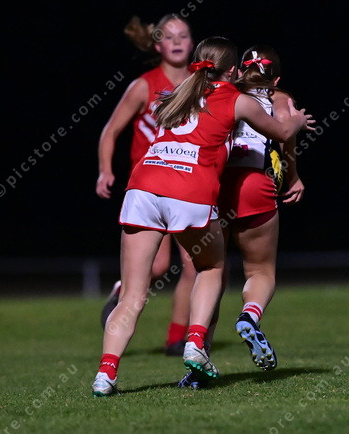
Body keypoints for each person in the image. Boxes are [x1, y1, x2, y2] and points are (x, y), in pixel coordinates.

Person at [92, 36, 314, 396]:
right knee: (211, 268)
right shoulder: (240, 99)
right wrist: (299, 120)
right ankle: (196, 343)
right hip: (191, 189)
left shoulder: (175, 93)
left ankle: (105, 375)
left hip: (143, 186)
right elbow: (284, 130)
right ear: (232, 70)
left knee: (133, 295)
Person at [178, 45, 307, 389]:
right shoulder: (279, 97)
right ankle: (250, 316)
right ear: (275, 79)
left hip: (216, 185)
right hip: (255, 183)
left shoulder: (220, 92)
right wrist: (293, 177)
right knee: (260, 271)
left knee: (210, 275)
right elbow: (286, 134)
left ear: (238, 70)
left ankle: (199, 358)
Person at [95, 14, 196, 356]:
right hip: (150, 187)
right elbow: (110, 131)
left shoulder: (199, 83)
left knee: (194, 264)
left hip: (187, 185)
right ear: (157, 45)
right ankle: (122, 288)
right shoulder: (144, 86)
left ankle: (177, 339)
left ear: (192, 42)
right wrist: (105, 170)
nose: (177, 41)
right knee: (158, 266)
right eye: (169, 36)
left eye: (183, 35)